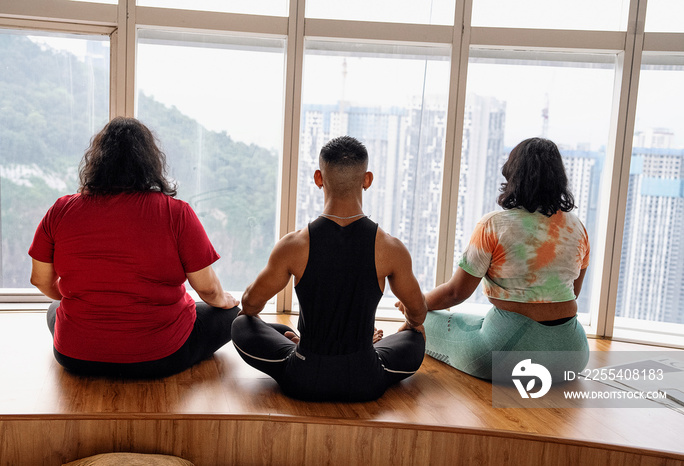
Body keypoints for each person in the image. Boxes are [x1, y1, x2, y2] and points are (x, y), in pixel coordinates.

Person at [29, 117, 239, 378]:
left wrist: (89, 304)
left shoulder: (61, 209)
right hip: (161, 356)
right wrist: (225, 301)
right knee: (230, 314)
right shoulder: (177, 213)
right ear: (151, 162)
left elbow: (40, 279)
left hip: (75, 356)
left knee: (54, 310)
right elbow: (207, 287)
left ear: (96, 162)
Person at [231, 136, 427, 402]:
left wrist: (250, 301)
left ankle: (298, 345)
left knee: (242, 324)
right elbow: (418, 313)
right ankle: (368, 346)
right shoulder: (390, 248)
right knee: (415, 336)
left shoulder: (293, 245)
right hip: (365, 379)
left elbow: (250, 305)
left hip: (303, 377)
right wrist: (411, 325)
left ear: (318, 178)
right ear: (367, 179)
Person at [398, 137, 590, 382]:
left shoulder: (494, 225)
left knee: (427, 320)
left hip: (508, 355)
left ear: (513, 175)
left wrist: (414, 306)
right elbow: (572, 292)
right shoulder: (577, 228)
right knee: (474, 321)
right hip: (571, 355)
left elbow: (455, 294)